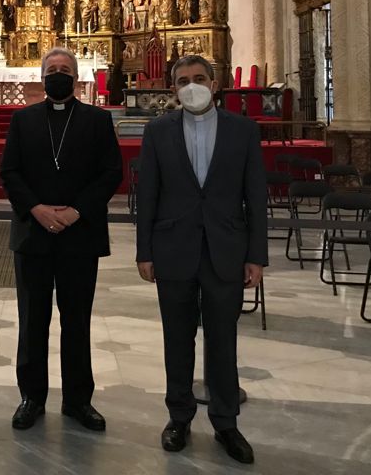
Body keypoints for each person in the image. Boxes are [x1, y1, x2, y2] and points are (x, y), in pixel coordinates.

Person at [135, 54, 267, 465]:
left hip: (225, 249)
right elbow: (149, 195)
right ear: (172, 88)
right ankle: (179, 415)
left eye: (198, 78)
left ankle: (226, 421)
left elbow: (255, 197)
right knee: (177, 338)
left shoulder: (242, 130)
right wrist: (144, 251)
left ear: (214, 84)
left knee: (223, 340)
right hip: (174, 248)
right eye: (182, 80)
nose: (190, 86)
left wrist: (256, 256)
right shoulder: (158, 131)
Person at [0, 47, 123, 432]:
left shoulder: (97, 120)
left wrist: (75, 211)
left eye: (64, 70)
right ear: (41, 76)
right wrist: (36, 209)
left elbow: (110, 173)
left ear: (76, 76)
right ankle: (31, 397)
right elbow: (10, 171)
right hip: (33, 234)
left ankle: (78, 400)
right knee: (32, 321)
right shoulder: (23, 120)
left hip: (79, 235)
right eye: (51, 70)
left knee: (76, 321)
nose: (58, 75)